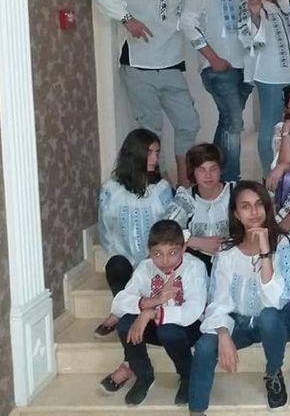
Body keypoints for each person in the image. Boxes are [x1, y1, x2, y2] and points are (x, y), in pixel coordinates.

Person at [87, 0, 206, 186]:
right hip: (139, 63)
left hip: (172, 64)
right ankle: (157, 186)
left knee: (188, 123)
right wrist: (126, 18)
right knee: (151, 132)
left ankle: (185, 187)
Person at [188, 181, 290, 413]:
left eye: (259, 204)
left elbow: (277, 300)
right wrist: (223, 333)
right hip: (239, 321)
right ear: (236, 214)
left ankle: (273, 373)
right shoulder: (228, 252)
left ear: (267, 208)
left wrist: (265, 252)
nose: (254, 212)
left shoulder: (284, 244)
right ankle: (196, 410)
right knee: (205, 345)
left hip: (279, 322)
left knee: (269, 316)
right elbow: (218, 300)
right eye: (246, 206)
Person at [96, 129, 174, 393]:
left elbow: (170, 230)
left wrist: (150, 264)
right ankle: (124, 309)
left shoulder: (161, 189)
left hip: (156, 265)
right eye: (150, 152)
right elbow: (106, 232)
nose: (155, 158)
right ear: (135, 153)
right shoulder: (111, 189)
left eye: (157, 153)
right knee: (115, 265)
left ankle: (128, 360)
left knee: (132, 304)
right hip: (125, 263)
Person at [180, 0, 252, 182]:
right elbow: (187, 21)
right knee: (234, 124)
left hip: (244, 68)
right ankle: (231, 180)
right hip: (218, 68)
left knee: (227, 123)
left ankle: (212, 177)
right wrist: (212, 58)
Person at [110, 220, 207, 406]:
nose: (165, 261)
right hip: (155, 328)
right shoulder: (145, 267)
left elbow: (192, 311)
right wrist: (152, 302)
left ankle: (187, 375)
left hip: (187, 329)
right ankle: (143, 374)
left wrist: (150, 314)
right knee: (125, 324)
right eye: (157, 254)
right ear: (149, 251)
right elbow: (119, 303)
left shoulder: (195, 267)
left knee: (167, 330)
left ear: (184, 248)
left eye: (172, 253)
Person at [240, 0, 290, 175]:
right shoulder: (249, 2)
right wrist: (256, 15)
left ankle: (288, 170)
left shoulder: (283, 1)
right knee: (270, 125)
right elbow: (249, 40)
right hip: (270, 77)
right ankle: (269, 175)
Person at [164, 143, 233, 274]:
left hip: (233, 260)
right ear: (193, 172)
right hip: (196, 263)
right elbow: (166, 230)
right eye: (201, 170)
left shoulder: (234, 192)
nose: (208, 175)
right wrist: (199, 242)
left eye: (213, 169)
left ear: (220, 169)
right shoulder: (186, 197)